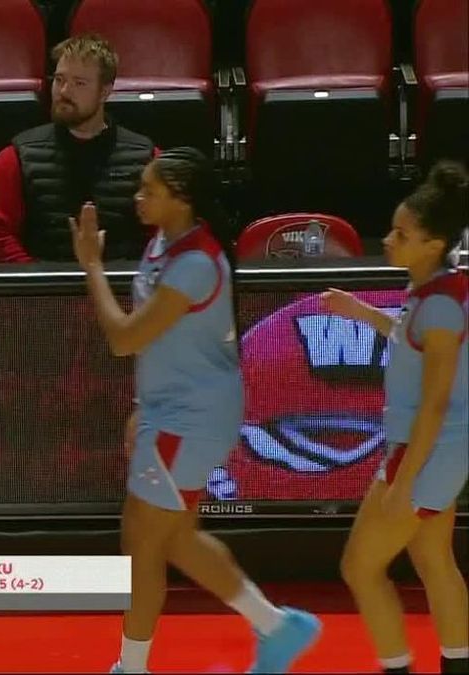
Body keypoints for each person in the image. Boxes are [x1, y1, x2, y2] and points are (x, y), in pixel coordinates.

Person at [71, 147, 320, 673]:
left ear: (181, 200)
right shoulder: (165, 242)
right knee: (176, 538)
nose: (139, 198)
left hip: (191, 419)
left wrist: (91, 266)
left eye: (150, 191)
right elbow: (163, 343)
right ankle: (278, 627)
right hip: (174, 412)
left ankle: (131, 668)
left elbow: (123, 338)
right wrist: (143, 405)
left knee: (141, 542)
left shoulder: (193, 265)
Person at [325, 161, 469, 675]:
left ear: (433, 244)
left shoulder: (441, 307)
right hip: (442, 453)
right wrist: (361, 312)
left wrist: (402, 483)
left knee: (360, 568)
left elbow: (435, 401)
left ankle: (398, 669)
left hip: (423, 452)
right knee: (435, 562)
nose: (388, 239)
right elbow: (415, 341)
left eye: (401, 234)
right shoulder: (438, 291)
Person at [0, 34, 155, 264]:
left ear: (105, 91)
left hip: (123, 294)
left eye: (79, 83)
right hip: (41, 295)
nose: (64, 91)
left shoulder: (148, 159)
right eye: (59, 80)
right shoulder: (14, 158)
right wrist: (41, 284)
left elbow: (163, 236)